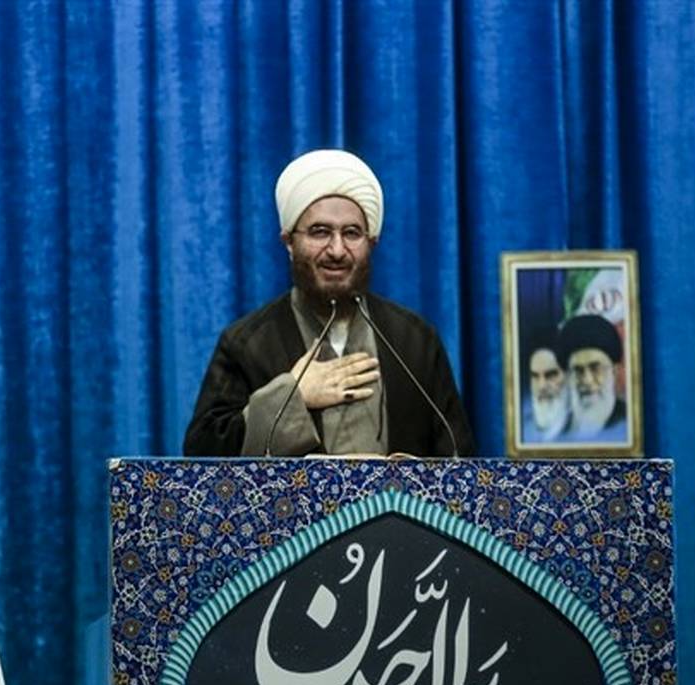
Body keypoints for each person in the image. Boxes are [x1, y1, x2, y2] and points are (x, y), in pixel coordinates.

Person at [183, 149, 475, 457]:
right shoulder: (247, 343)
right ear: (289, 242)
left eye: (352, 233)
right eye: (320, 232)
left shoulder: (413, 340)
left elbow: (458, 457)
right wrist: (291, 395)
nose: (337, 250)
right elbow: (203, 453)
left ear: (371, 243)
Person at [556, 314, 627, 442]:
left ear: (615, 372)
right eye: (578, 371)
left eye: (596, 369)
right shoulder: (558, 431)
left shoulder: (628, 423)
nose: (587, 380)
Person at [520, 328, 570, 443]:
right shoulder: (523, 429)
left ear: (569, 375)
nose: (541, 386)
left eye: (550, 375)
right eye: (534, 376)